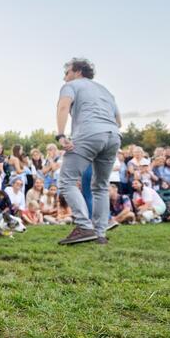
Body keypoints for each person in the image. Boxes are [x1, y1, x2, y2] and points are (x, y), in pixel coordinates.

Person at [55, 57, 121, 245]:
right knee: (100, 186)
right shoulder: (106, 91)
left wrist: (60, 135)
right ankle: (99, 233)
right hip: (113, 135)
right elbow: (119, 122)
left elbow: (63, 107)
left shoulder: (72, 85)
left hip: (88, 133)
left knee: (66, 181)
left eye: (66, 72)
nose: (64, 77)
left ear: (77, 71)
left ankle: (84, 226)